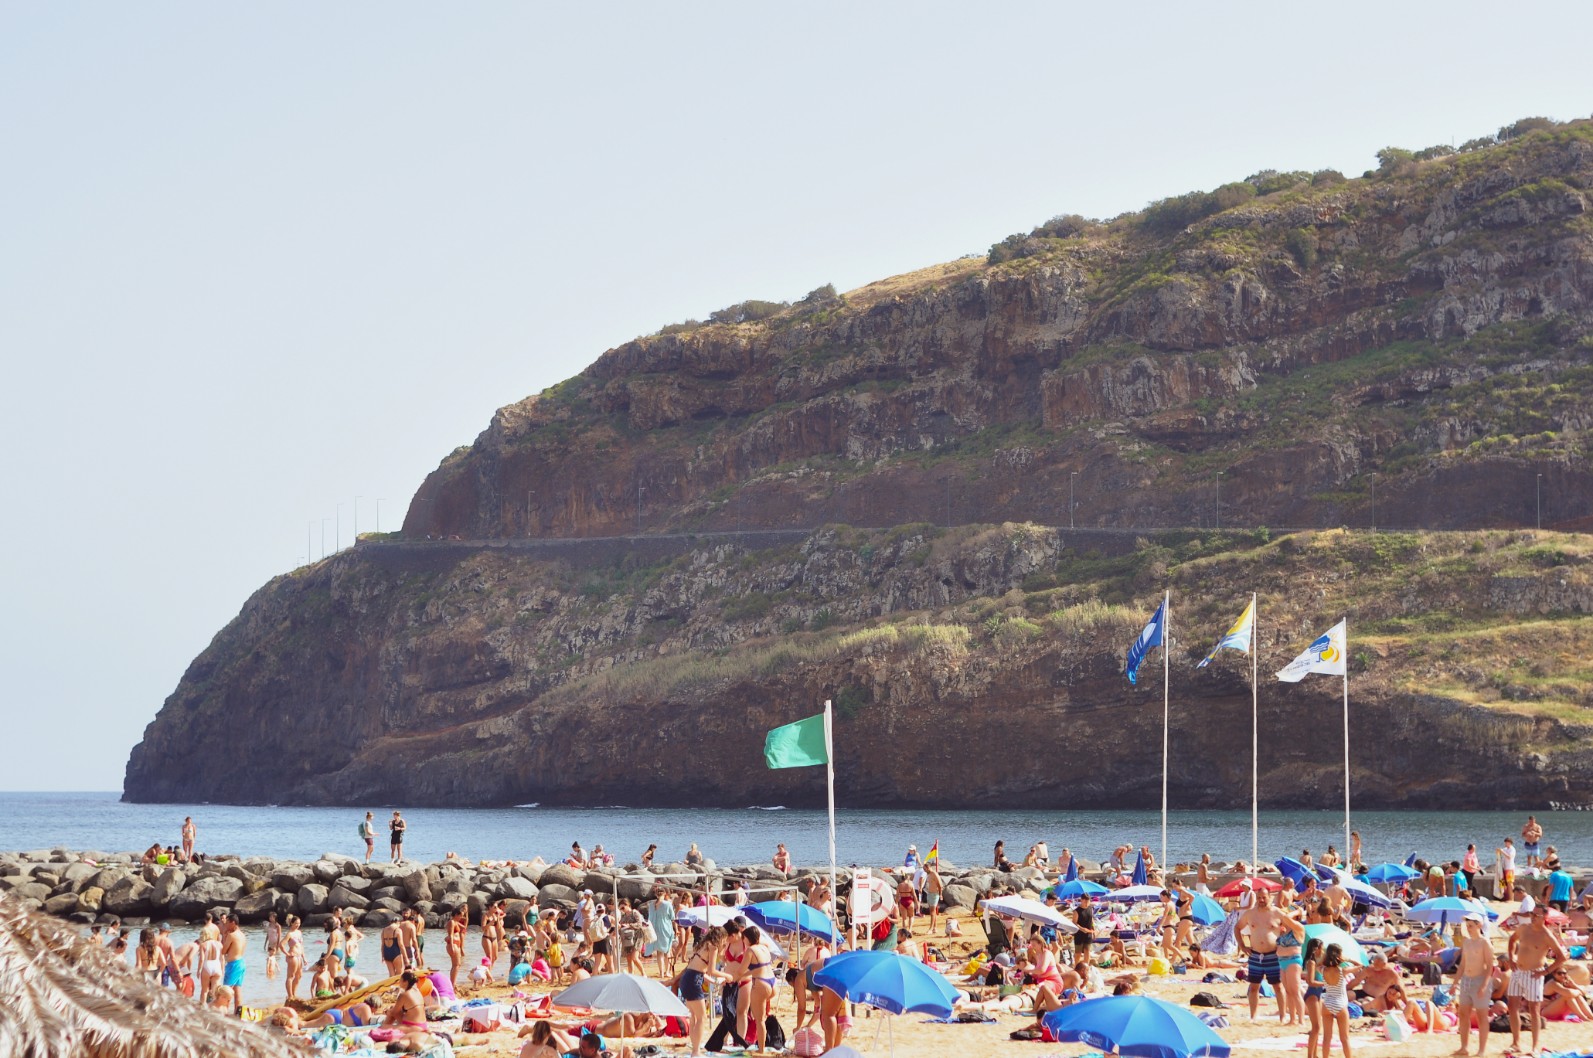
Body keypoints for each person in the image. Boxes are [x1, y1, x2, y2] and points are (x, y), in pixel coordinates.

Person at [1506, 903, 1568, 1054]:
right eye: (1532, 914)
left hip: (1534, 973)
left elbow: (1561, 957)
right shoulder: (1524, 928)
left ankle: (1535, 1046)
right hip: (1518, 970)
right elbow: (1512, 940)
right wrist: (1511, 957)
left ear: (1544, 918)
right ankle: (1516, 1042)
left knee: (1534, 1010)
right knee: (1512, 1007)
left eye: (1536, 915)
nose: (1533, 917)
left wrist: (1545, 971)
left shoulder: (1546, 935)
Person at [1237, 889, 1287, 1022]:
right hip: (1255, 954)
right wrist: (1242, 945)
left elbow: (1291, 927)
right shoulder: (1250, 913)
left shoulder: (1277, 913)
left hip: (1273, 955)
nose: (1261, 900)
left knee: (1277, 986)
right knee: (1254, 986)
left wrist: (1283, 942)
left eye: (1264, 897)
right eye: (1259, 897)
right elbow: (1237, 928)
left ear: (1270, 897)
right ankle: (1253, 1015)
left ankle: (1282, 1016)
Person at [1449, 913, 1493, 1057]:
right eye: (1467, 926)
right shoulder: (1467, 942)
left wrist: (1484, 986)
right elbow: (1462, 965)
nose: (1468, 929)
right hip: (1467, 980)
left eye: (1471, 926)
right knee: (1463, 1014)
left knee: (1481, 1016)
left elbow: (1489, 966)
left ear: (1479, 925)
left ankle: (1481, 1050)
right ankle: (1464, 1047)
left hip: (1479, 980)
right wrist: (1454, 983)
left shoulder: (1485, 942)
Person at [1319, 943, 1354, 1058]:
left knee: (1327, 1038)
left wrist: (1325, 958)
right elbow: (1360, 966)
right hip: (1340, 1003)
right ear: (1339, 955)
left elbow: (1318, 964)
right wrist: (1347, 959)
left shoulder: (1323, 969)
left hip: (1327, 1003)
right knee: (1344, 1038)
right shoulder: (1342, 970)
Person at [923, 856, 945, 934]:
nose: (924, 870)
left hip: (935, 894)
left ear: (928, 867)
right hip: (930, 893)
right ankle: (935, 927)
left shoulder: (934, 874)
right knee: (933, 912)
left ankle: (931, 928)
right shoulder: (928, 874)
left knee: (932, 912)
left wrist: (940, 894)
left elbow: (939, 885)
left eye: (925, 869)